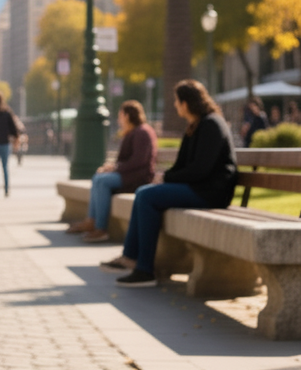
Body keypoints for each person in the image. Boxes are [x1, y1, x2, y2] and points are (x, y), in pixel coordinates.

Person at [103, 79, 237, 287]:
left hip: (211, 192)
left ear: (186, 103)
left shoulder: (212, 124)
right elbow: (182, 165)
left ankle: (145, 270)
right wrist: (164, 177)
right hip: (198, 188)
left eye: (177, 101)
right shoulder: (195, 126)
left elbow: (201, 169)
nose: (175, 106)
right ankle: (131, 258)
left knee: (147, 196)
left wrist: (167, 178)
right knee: (144, 193)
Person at [69, 100, 157, 242]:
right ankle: (91, 221)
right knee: (98, 177)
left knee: (102, 181)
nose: (118, 119)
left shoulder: (142, 132)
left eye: (120, 115)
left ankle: (101, 229)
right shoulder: (133, 132)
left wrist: (115, 168)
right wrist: (111, 167)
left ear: (127, 116)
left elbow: (138, 161)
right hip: (129, 175)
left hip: (138, 178)